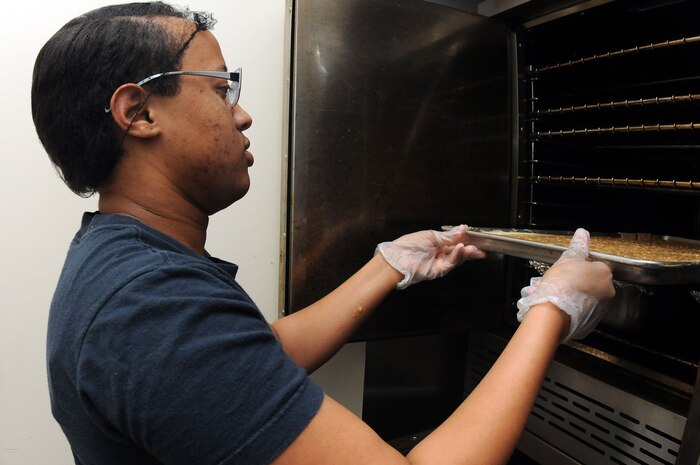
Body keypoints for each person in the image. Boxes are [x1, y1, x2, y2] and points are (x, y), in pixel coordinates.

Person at [31, 2, 615, 465]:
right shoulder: (149, 310)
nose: (242, 114)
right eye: (219, 88)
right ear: (139, 112)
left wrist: (390, 263)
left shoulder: (120, 261)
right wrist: (553, 308)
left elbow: (252, 363)